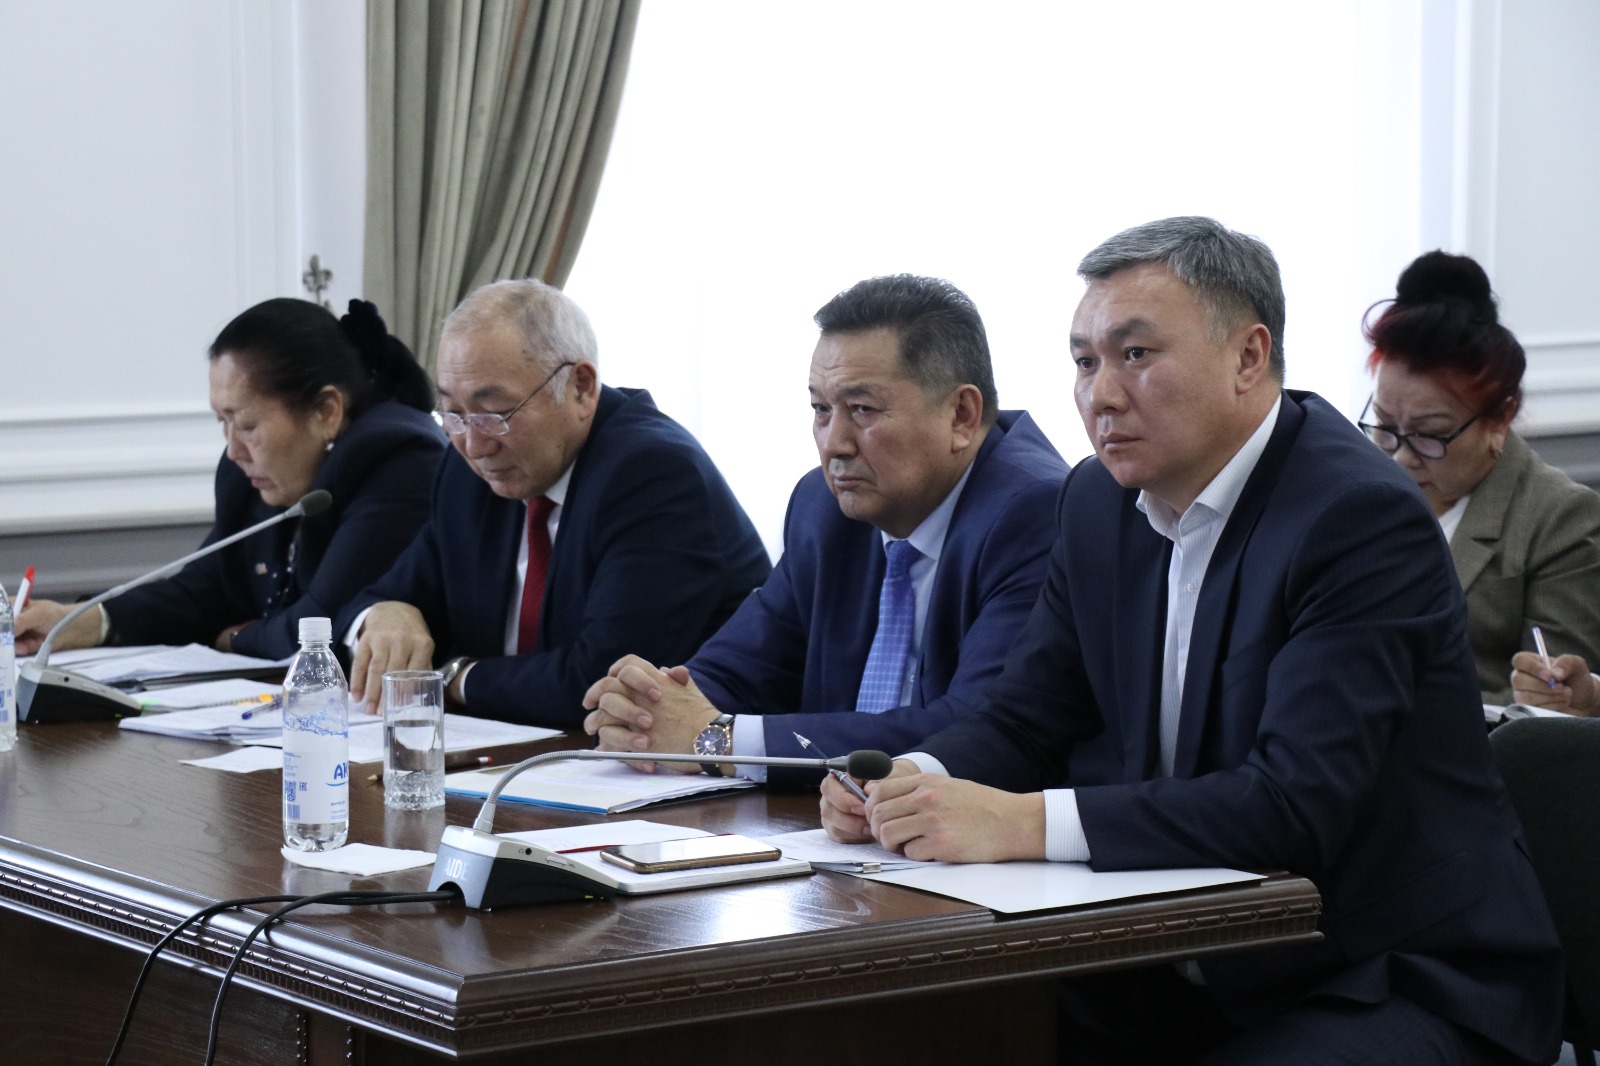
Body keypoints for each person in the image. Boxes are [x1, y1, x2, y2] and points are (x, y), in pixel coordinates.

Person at [820, 219, 1562, 1065]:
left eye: (1135, 355)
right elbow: (1027, 717)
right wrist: (915, 780)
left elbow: (1292, 806)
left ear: (1249, 357)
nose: (1100, 394)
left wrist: (1019, 821)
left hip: (1388, 972)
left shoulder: (1356, 517)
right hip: (1175, 959)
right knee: (919, 1028)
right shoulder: (1095, 503)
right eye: (1084, 361)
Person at [581, 274, 1068, 790]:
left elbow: (977, 728)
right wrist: (649, 710)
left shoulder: (1035, 512)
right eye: (821, 409)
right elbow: (741, 667)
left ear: (962, 416)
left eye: (862, 409)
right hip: (835, 820)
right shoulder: (824, 507)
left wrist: (717, 740)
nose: (834, 443)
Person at [339, 278, 770, 729]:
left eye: (494, 414)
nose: (473, 444)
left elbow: (600, 683)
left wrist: (452, 677)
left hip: (672, 761)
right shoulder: (467, 475)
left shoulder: (654, 473)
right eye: (453, 414)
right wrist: (385, 614)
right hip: (517, 750)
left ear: (581, 387)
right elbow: (377, 596)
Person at [16, 298, 445, 661]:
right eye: (223, 422)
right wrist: (79, 621)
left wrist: (234, 638)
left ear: (326, 412)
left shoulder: (399, 462)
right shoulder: (252, 476)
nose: (234, 449)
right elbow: (202, 591)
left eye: (247, 424)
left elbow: (319, 628)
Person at [1360, 250, 1600, 704]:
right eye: (1385, 425)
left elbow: (1553, 718)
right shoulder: (1353, 489)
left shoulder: (1559, 519)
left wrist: (1550, 692)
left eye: (1429, 435)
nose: (1401, 457)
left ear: (1500, 418)